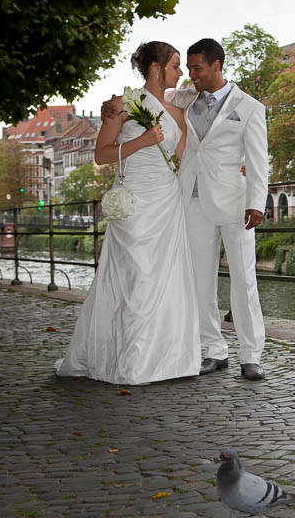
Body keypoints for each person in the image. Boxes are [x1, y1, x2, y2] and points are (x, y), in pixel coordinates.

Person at [56, 42, 200, 385]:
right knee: (135, 276)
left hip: (167, 202)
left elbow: (184, 161)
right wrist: (143, 141)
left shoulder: (177, 112)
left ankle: (167, 358)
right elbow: (102, 155)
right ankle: (130, 357)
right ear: (155, 67)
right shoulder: (121, 106)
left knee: (166, 278)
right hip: (135, 202)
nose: (180, 73)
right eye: (175, 65)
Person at [172, 38, 269, 382]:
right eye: (189, 67)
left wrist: (257, 203)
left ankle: (251, 354)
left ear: (216, 65)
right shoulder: (184, 98)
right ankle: (213, 350)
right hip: (193, 199)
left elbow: (259, 160)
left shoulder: (250, 107)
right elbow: (152, 98)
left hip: (234, 203)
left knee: (243, 280)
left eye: (197, 67)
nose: (191, 74)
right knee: (200, 280)